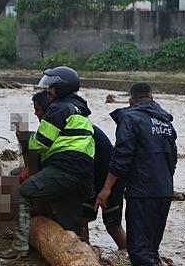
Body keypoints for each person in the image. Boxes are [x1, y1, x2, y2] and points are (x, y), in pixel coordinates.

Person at [2, 66, 95, 259]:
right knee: (69, 223)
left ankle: (19, 246)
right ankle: (78, 256)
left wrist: (28, 140)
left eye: (51, 87)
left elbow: (40, 143)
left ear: (60, 88)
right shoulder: (80, 110)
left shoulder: (58, 108)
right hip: (83, 173)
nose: (48, 91)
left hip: (64, 167)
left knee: (22, 193)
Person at [30, 90, 126, 250]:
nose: (35, 114)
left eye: (38, 110)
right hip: (92, 180)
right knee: (82, 222)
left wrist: (106, 189)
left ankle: (131, 261)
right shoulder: (67, 128)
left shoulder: (73, 131)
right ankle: (87, 252)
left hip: (107, 182)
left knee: (113, 227)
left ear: (50, 112)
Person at [96, 82, 177, 266]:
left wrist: (107, 187)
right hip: (164, 190)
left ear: (131, 100)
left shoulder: (131, 119)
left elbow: (121, 156)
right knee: (152, 248)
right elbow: (173, 159)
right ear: (152, 98)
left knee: (139, 252)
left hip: (142, 192)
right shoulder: (165, 121)